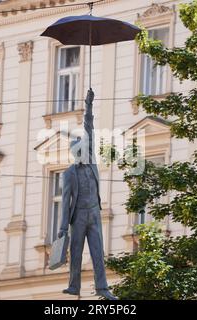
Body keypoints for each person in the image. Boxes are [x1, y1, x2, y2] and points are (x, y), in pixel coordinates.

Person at [58, 89, 117, 300]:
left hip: (94, 214)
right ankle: (74, 285)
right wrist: (63, 227)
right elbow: (65, 202)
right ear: (76, 154)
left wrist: (89, 106)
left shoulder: (91, 162)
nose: (85, 153)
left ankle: (102, 288)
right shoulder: (69, 174)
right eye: (81, 151)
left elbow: (89, 128)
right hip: (79, 217)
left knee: (97, 252)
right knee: (76, 253)